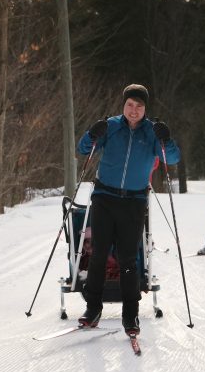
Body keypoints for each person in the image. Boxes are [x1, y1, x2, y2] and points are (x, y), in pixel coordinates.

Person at [75, 84, 180, 336]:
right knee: (98, 254)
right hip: (104, 198)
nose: (134, 111)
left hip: (133, 202)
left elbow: (172, 158)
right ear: (123, 105)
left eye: (139, 106)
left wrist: (167, 139)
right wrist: (91, 133)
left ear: (146, 109)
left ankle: (130, 315)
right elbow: (83, 149)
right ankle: (93, 309)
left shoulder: (152, 132)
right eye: (130, 105)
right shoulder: (111, 126)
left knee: (128, 259)